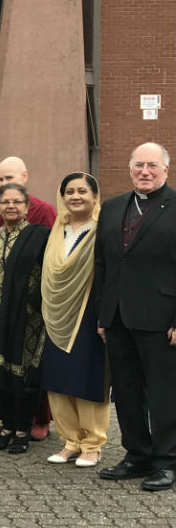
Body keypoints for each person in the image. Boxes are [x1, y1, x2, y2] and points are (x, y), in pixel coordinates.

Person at [94, 142, 176, 492]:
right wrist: (102, 315)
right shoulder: (111, 209)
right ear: (130, 169)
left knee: (163, 393)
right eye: (139, 165)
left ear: (165, 171)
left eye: (152, 166)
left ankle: (167, 461)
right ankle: (136, 455)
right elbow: (102, 264)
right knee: (125, 392)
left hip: (161, 316)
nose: (145, 171)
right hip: (117, 317)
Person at [0, 183, 51, 455]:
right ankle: (6, 426)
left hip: (27, 317)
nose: (11, 206)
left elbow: (46, 278)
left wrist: (32, 306)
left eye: (17, 201)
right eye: (5, 201)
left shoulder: (39, 236)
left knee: (25, 372)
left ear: (27, 207)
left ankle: (23, 429)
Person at [40, 173, 109, 468]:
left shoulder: (103, 229)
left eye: (82, 191)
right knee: (58, 379)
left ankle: (92, 445)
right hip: (55, 313)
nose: (75, 196)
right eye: (69, 191)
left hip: (89, 311)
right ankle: (70, 442)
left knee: (87, 378)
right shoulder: (58, 229)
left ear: (94, 196)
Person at [0, 156, 57, 441]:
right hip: (3, 305)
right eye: (2, 180)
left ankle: (39, 419)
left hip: (32, 306)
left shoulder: (44, 211)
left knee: (33, 362)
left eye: (11, 178)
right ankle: (10, 420)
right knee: (5, 361)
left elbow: (52, 259)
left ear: (25, 177)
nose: (7, 185)